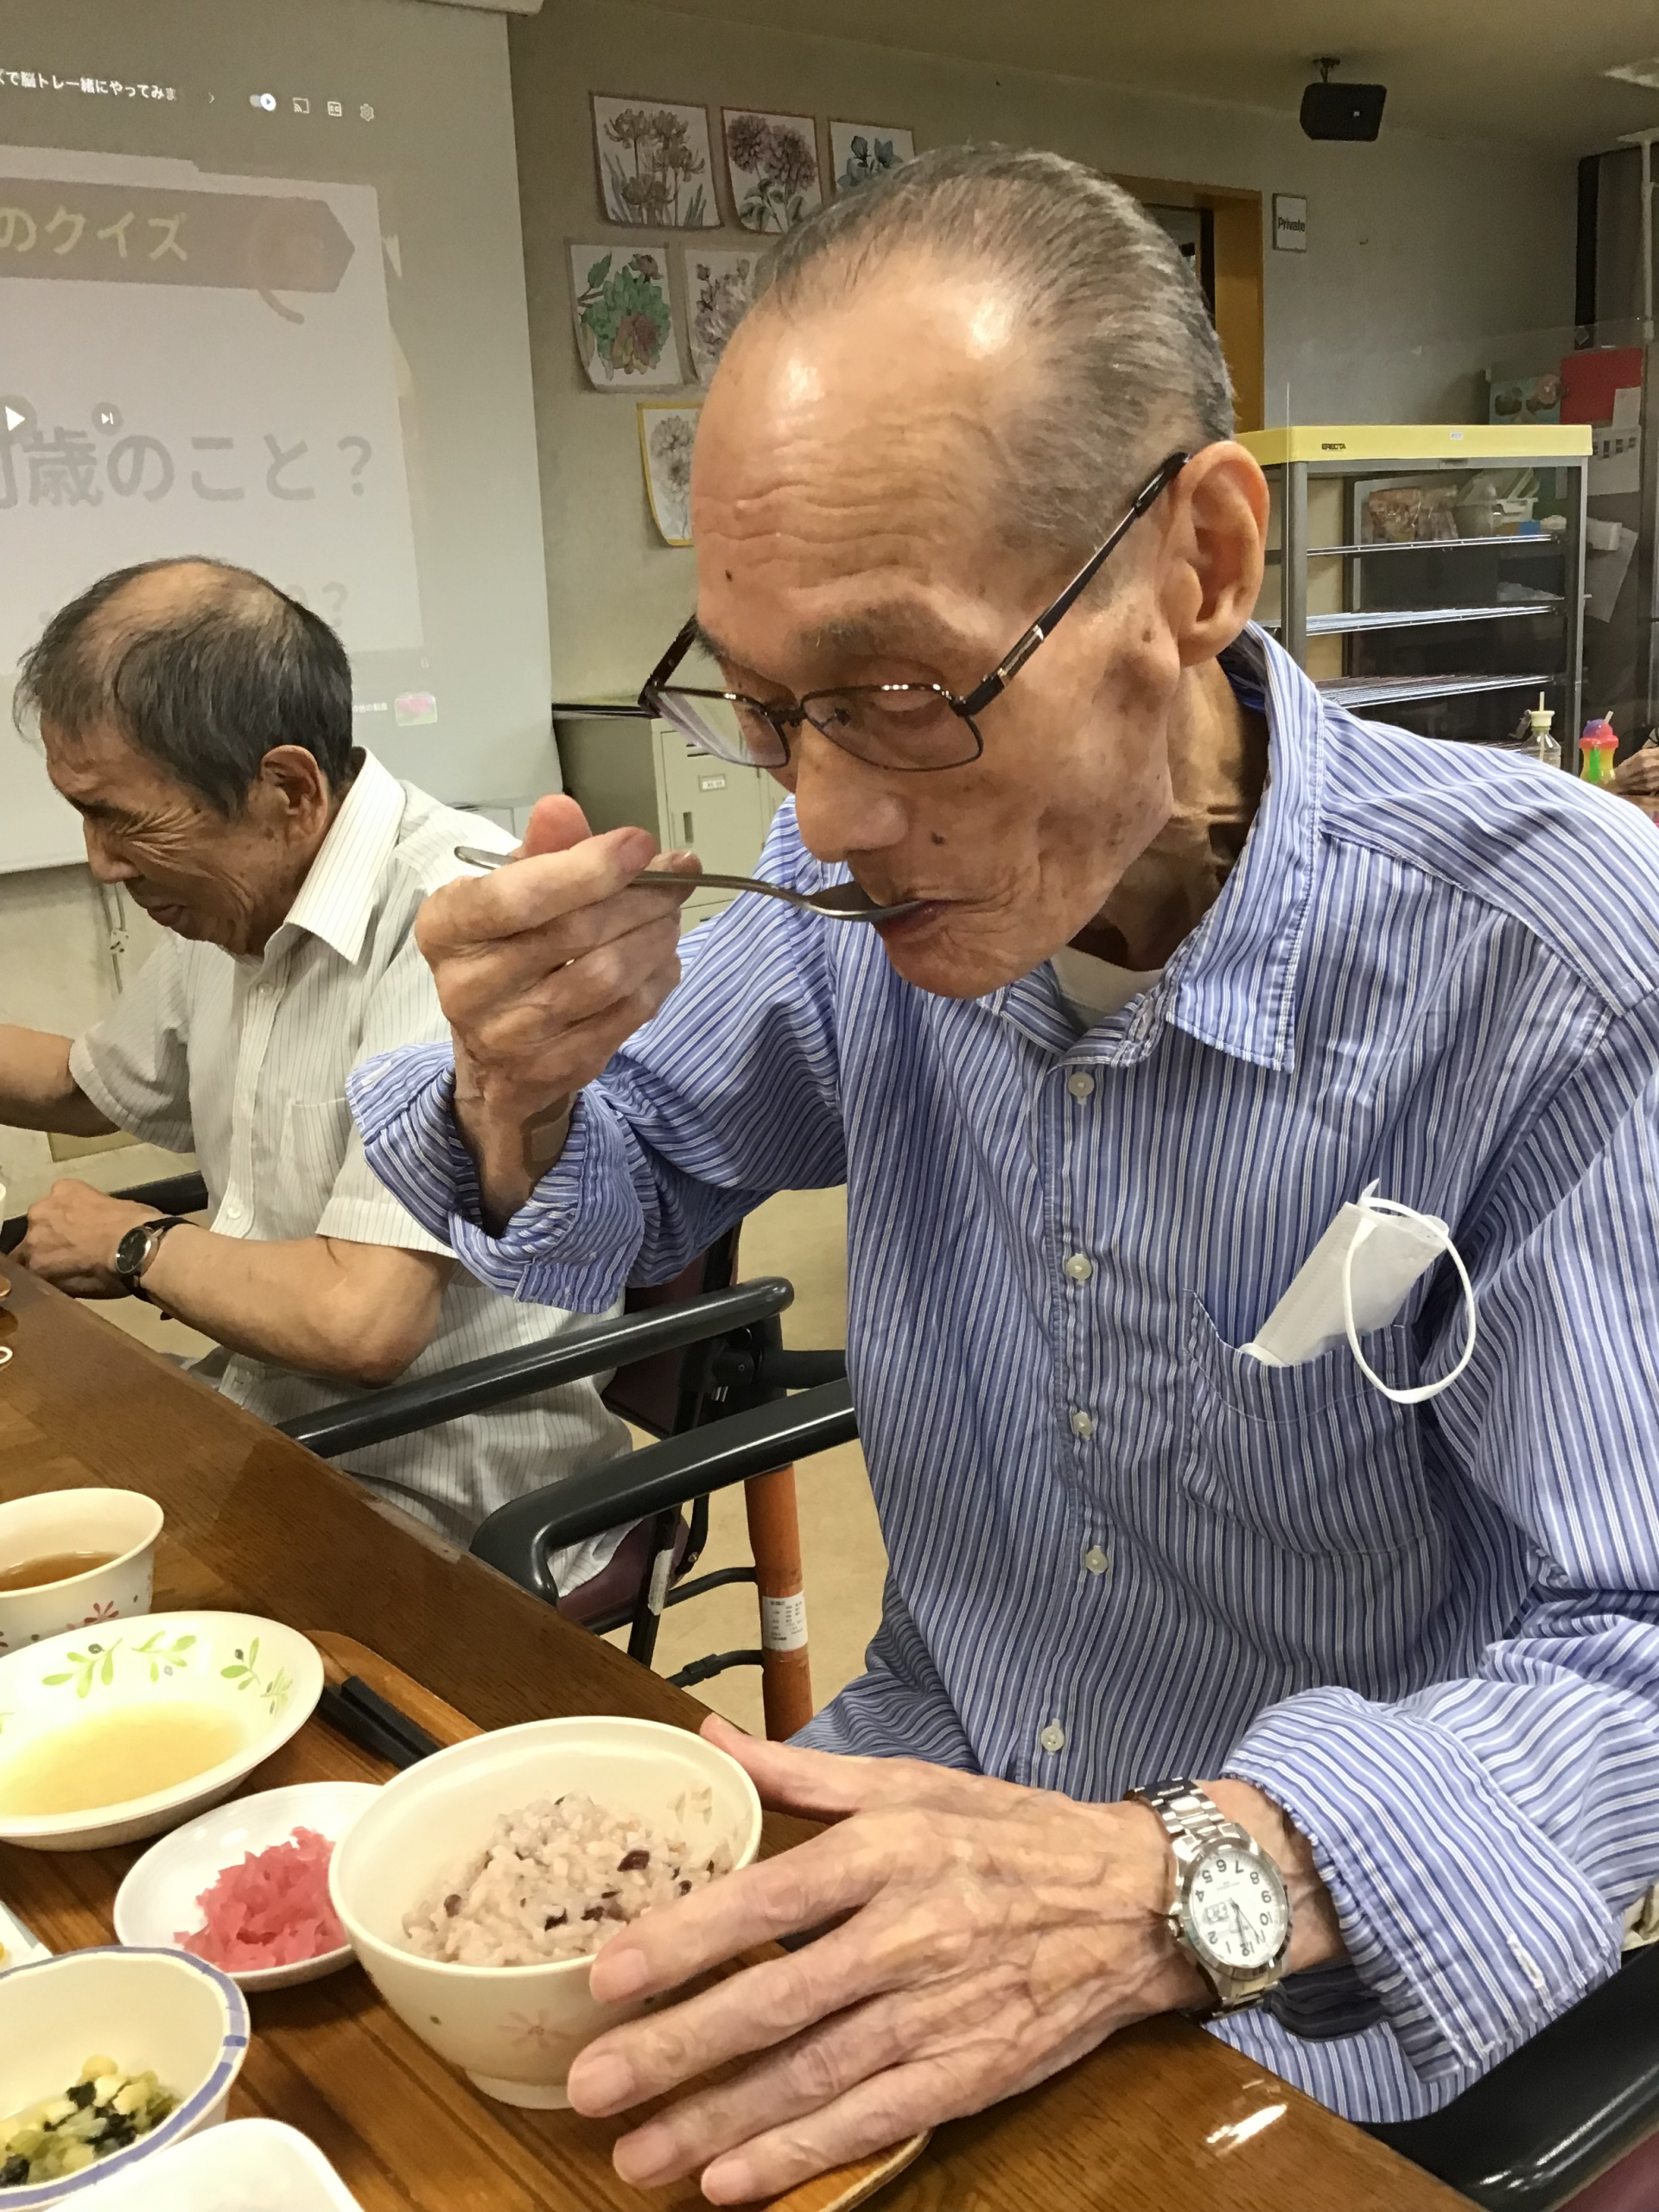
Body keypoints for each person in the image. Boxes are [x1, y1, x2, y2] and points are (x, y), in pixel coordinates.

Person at [352, 147, 1659, 2201]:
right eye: (764, 708)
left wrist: (1158, 1883)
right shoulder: (844, 878)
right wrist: (514, 1082)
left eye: (899, 694)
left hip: (1311, 1983)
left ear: (1199, 563)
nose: (829, 812)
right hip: (916, 1797)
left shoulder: (1550, 963)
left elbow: (1632, 1655)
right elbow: (622, 1186)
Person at [3, 557, 632, 1583]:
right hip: (267, 1416)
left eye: (121, 818)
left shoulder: (455, 926)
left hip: (440, 1478)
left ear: (288, 790)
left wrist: (135, 1243)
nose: (101, 861)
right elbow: (81, 1087)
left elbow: (362, 1321)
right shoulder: (230, 900)